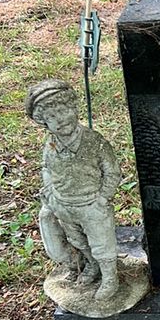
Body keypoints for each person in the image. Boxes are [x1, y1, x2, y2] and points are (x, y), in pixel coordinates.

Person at [25, 80, 120, 301]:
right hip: (64, 203)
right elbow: (47, 168)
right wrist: (50, 191)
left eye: (64, 110)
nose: (61, 119)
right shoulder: (50, 145)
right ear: (44, 122)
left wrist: (103, 198)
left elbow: (112, 171)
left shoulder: (93, 141)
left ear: (74, 108)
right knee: (78, 240)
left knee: (101, 243)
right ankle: (91, 266)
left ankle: (110, 277)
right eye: (52, 116)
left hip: (91, 204)